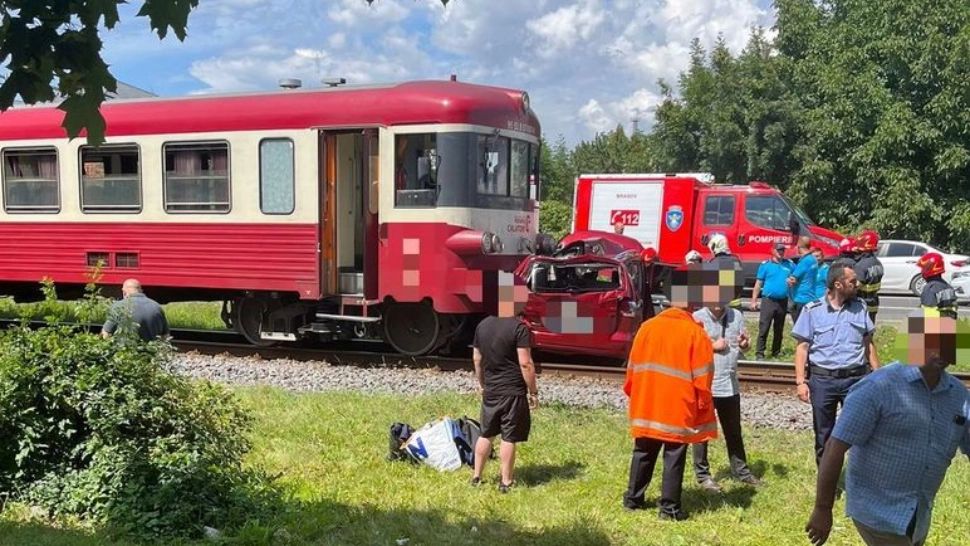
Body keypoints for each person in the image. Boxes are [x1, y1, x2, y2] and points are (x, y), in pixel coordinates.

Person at [805, 311, 970, 546]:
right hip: (877, 512)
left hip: (918, 512)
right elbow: (835, 446)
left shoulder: (958, 395)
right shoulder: (878, 387)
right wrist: (823, 509)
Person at [622, 261, 741, 520]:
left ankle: (632, 499)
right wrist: (702, 410)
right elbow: (702, 380)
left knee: (643, 450)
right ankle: (669, 509)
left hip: (646, 405)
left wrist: (639, 396)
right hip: (677, 408)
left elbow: (631, 372)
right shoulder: (695, 334)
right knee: (673, 455)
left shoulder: (647, 328)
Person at [792, 265, 880, 465]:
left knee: (861, 432)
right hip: (823, 381)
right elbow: (802, 348)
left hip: (856, 381)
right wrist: (800, 382)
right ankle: (827, 483)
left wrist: (878, 375)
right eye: (852, 282)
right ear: (838, 285)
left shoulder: (860, 307)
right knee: (825, 435)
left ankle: (860, 478)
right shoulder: (812, 310)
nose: (857, 285)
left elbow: (868, 344)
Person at [471, 273, 539, 493]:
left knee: (486, 433)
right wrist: (533, 391)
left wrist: (482, 383)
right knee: (509, 437)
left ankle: (476, 477)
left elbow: (477, 359)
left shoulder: (482, 326)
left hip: (491, 389)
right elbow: (525, 363)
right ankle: (506, 481)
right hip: (512, 391)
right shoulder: (519, 328)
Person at [690, 300, 761, 491]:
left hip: (730, 385)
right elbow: (690, 349)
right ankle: (703, 475)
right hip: (706, 384)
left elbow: (741, 346)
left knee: (733, 431)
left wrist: (745, 345)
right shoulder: (697, 318)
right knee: (702, 432)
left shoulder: (736, 316)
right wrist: (711, 346)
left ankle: (741, 471)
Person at [751, 243, 795, 360]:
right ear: (773, 250)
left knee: (779, 328)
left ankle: (776, 351)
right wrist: (754, 300)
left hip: (783, 301)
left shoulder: (789, 265)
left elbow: (797, 278)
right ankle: (760, 353)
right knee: (764, 327)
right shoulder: (766, 265)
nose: (781, 252)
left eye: (782, 250)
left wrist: (793, 281)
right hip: (768, 301)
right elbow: (758, 284)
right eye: (779, 250)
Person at [101, 278, 169, 342]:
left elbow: (106, 334)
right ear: (141, 291)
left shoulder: (118, 307)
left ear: (124, 292)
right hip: (152, 352)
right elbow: (165, 336)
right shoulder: (157, 307)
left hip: (126, 352)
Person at [853, 230, 884, 324]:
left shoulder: (861, 265)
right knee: (870, 332)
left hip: (862, 305)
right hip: (873, 303)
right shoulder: (878, 263)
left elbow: (856, 285)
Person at [917, 252, 958, 320]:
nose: (922, 271)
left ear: (929, 268)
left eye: (923, 268)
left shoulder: (931, 288)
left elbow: (929, 314)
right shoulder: (948, 287)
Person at [787, 236, 818, 324]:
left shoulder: (804, 261)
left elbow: (792, 279)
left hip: (801, 298)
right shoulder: (813, 259)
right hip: (811, 297)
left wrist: (787, 280)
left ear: (799, 247)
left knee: (800, 329)